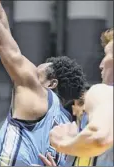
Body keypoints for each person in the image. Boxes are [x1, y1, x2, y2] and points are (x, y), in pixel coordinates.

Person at [0, 0, 86, 166]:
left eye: (38, 71)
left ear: (51, 83)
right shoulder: (70, 129)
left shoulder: (37, 91)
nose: (32, 70)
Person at [49, 28, 113, 166]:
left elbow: (98, 138)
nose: (101, 65)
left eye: (106, 55)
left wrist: (62, 142)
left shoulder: (104, 92)